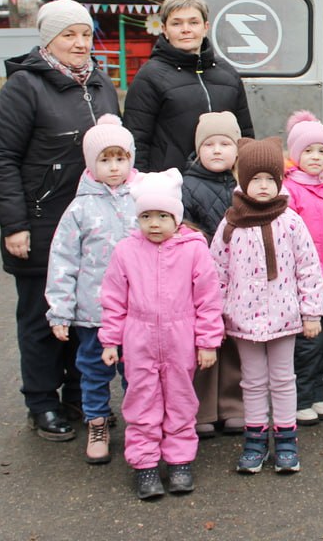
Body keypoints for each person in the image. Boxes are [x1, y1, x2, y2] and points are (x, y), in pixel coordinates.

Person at [0, 0, 120, 442]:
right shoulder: (23, 88)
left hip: (95, 225)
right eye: (69, 35)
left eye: (85, 34)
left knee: (88, 315)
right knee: (42, 319)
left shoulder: (100, 83)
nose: (80, 43)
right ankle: (42, 402)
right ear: (48, 40)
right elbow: (1, 158)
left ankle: (81, 395)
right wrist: (14, 225)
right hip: (42, 222)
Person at [99, 169, 224, 499]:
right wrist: (110, 339)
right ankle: (145, 464)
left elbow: (208, 298)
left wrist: (207, 342)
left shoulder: (194, 250)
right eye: (146, 216)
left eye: (163, 216)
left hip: (180, 339)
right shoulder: (126, 251)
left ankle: (180, 461)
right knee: (142, 402)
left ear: (177, 217)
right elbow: (113, 299)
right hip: (138, 340)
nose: (154, 224)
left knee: (181, 401)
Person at [211, 137, 323, 475]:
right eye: (255, 179)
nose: (263, 186)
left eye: (270, 179)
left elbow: (308, 267)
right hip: (243, 319)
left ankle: (286, 439)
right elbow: (216, 272)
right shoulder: (231, 224)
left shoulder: (290, 221)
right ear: (243, 180)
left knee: (283, 379)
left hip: (284, 317)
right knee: (253, 381)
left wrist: (311, 312)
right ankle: (255, 439)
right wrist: (215, 317)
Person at [45, 115, 138, 464]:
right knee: (94, 371)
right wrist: (60, 311)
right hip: (93, 312)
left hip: (137, 311)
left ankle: (138, 425)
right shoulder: (80, 208)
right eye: (105, 159)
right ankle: (97, 423)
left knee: (136, 373)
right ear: (90, 163)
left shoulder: (142, 199)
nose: (114, 167)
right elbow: (63, 260)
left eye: (120, 158)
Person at [123, 0, 254, 172]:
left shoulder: (227, 74)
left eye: (193, 22)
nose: (186, 29)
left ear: (205, 27)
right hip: (171, 182)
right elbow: (137, 140)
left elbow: (245, 134)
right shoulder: (149, 77)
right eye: (176, 23)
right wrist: (142, 182)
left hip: (224, 181)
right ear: (164, 29)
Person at [181, 111, 246, 440]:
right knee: (205, 341)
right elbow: (184, 227)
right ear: (198, 149)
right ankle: (203, 409)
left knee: (234, 339)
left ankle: (233, 405)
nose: (217, 150)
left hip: (239, 276)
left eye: (225, 143)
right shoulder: (187, 186)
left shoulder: (243, 184)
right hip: (201, 277)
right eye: (209, 144)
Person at [283, 111, 323, 426]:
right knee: (305, 345)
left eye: (321, 150)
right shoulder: (289, 191)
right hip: (301, 284)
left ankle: (317, 392)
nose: (315, 157)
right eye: (308, 150)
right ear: (296, 154)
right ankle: (300, 398)